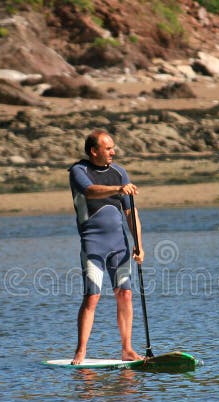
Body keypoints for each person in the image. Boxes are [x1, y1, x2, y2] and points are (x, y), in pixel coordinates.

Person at [69, 129, 145, 365]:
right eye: (108, 148)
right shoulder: (79, 171)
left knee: (126, 294)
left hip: (119, 244)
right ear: (94, 151)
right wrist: (118, 189)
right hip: (93, 243)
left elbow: (130, 212)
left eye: (113, 147)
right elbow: (90, 192)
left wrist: (139, 245)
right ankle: (81, 351)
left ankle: (127, 349)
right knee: (92, 296)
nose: (113, 151)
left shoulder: (119, 172)